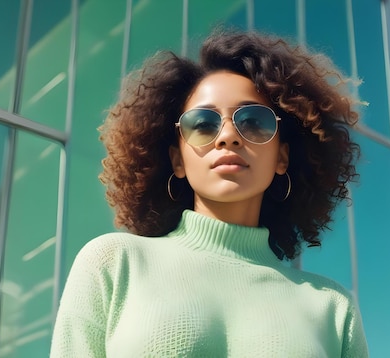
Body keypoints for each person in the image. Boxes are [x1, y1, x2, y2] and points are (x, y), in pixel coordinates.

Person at [51, 30, 368, 357]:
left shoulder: (332, 308)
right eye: (202, 123)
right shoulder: (114, 264)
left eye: (254, 121)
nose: (228, 136)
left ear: (282, 157)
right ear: (177, 159)